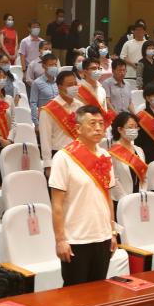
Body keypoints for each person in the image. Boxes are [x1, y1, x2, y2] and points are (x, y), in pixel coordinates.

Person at [49, 106, 116, 286]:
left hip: (103, 237)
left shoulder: (105, 155)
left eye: (101, 123)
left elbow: (108, 198)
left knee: (99, 292)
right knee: (74, 295)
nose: (98, 128)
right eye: (92, 123)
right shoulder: (63, 158)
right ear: (78, 128)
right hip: (76, 240)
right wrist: (60, 240)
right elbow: (57, 204)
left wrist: (112, 232)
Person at [39, 69, 82, 171]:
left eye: (75, 84)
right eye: (70, 85)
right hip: (59, 154)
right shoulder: (48, 110)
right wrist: (48, 165)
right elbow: (45, 139)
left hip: (79, 153)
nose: (74, 87)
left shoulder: (80, 106)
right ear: (59, 87)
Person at [109, 112, 146, 200]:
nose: (134, 130)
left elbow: (144, 176)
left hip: (139, 198)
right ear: (120, 129)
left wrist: (142, 194)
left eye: (136, 127)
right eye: (130, 127)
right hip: (122, 199)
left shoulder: (139, 150)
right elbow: (114, 180)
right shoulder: (112, 153)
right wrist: (125, 199)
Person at [28, 53, 59, 122]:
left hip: (58, 118)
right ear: (43, 66)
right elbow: (33, 103)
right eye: (51, 65)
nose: (54, 67)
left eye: (55, 64)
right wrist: (36, 122)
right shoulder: (37, 83)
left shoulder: (59, 81)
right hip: (44, 118)